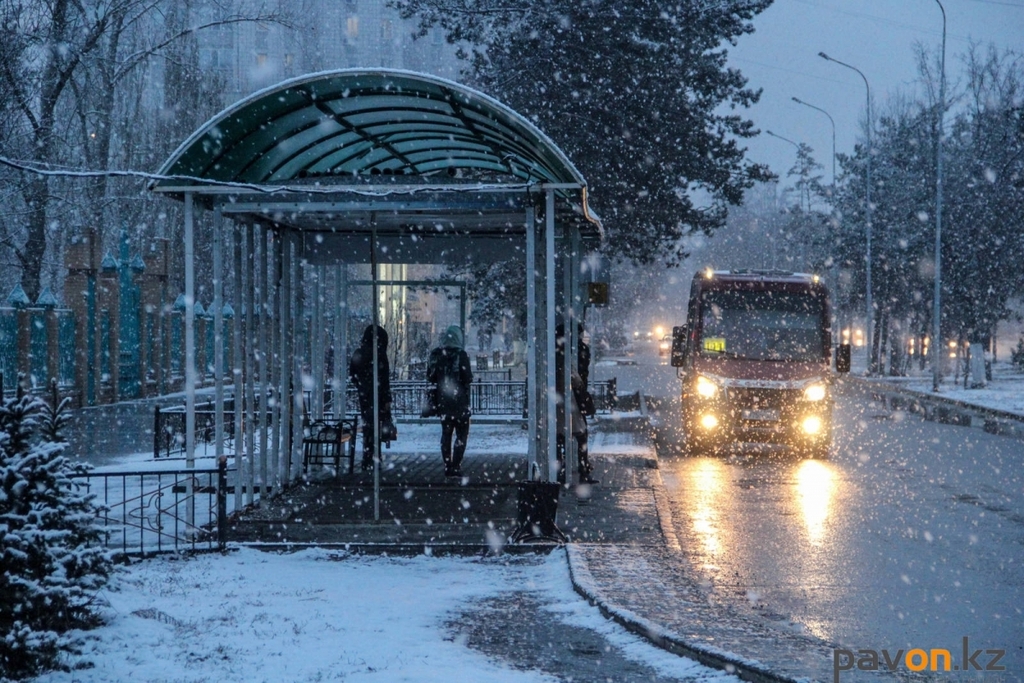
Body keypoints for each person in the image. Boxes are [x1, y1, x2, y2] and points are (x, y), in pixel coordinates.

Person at [427, 325, 473, 477]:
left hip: (443, 401)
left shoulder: (438, 355)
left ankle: (447, 465)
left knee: (446, 434)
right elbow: (468, 378)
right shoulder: (461, 355)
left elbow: (431, 377)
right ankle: (456, 465)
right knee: (461, 434)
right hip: (459, 401)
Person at [555, 324, 597, 485]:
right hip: (570, 401)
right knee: (581, 434)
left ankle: (560, 468)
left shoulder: (555, 352)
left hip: (558, 401)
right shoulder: (570, 353)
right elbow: (577, 379)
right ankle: (583, 469)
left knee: (560, 437)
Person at [349, 325, 392, 471]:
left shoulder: (359, 353)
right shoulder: (380, 355)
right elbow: (385, 379)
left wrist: (362, 386)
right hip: (378, 395)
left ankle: (367, 457)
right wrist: (386, 399)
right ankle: (375, 456)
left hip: (364, 395)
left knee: (368, 425)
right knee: (376, 427)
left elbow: (352, 375)